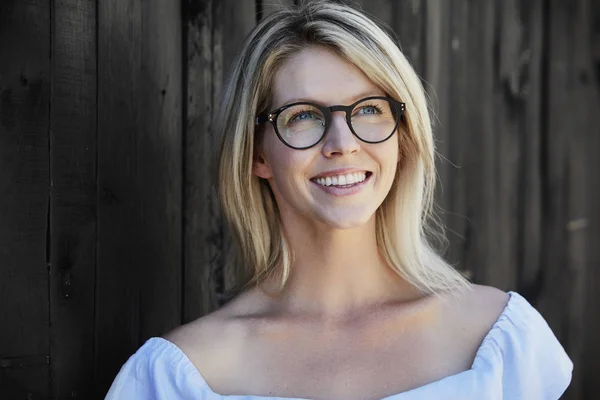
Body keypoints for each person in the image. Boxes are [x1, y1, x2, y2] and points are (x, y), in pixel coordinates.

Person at [105, 1, 573, 399]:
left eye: (368, 109)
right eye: (304, 115)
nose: (343, 142)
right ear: (256, 155)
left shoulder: (503, 343)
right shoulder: (179, 379)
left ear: (403, 138)